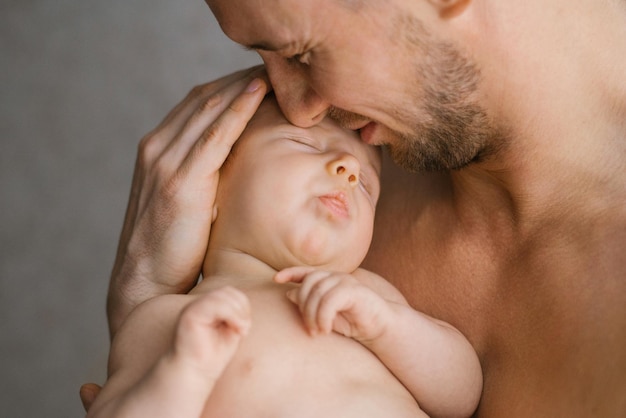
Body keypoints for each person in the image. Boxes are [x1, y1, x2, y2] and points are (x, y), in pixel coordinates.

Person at [82, 0, 626, 416]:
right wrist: (147, 301)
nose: (296, 108)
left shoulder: (363, 247)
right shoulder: (355, 207)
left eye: (300, 53)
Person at [84, 95, 483, 418]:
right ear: (208, 189)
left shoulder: (367, 297)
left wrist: (388, 326)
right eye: (304, 144)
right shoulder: (169, 319)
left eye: (366, 185)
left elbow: (461, 396)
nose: (347, 170)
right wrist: (184, 371)